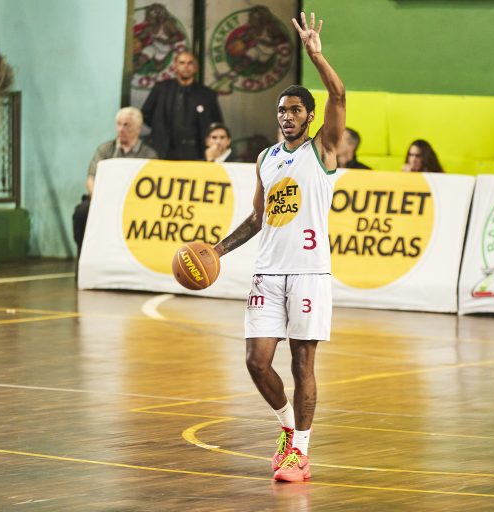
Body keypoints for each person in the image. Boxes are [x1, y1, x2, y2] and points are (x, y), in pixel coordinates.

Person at [212, 11, 344, 483]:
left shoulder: (322, 150)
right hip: (268, 272)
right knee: (256, 361)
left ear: (310, 116)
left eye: (294, 111)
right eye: (281, 111)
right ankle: (288, 428)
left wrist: (317, 56)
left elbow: (339, 95)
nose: (287, 117)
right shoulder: (266, 159)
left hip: (309, 272)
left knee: (302, 362)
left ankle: (301, 453)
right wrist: (217, 251)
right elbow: (257, 219)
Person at [72, 107, 157, 257]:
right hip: (103, 201)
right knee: (81, 212)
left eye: (126, 125)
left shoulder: (149, 155)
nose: (121, 129)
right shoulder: (105, 149)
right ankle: (83, 258)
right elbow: (91, 178)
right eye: (118, 124)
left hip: (134, 204)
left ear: (138, 128)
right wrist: (101, 201)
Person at [141, 51, 223, 160]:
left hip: (197, 153)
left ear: (196, 67)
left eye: (190, 63)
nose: (186, 66)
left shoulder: (207, 95)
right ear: (175, 66)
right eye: (182, 63)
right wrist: (159, 128)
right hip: (164, 151)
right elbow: (145, 114)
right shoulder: (161, 89)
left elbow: (216, 123)